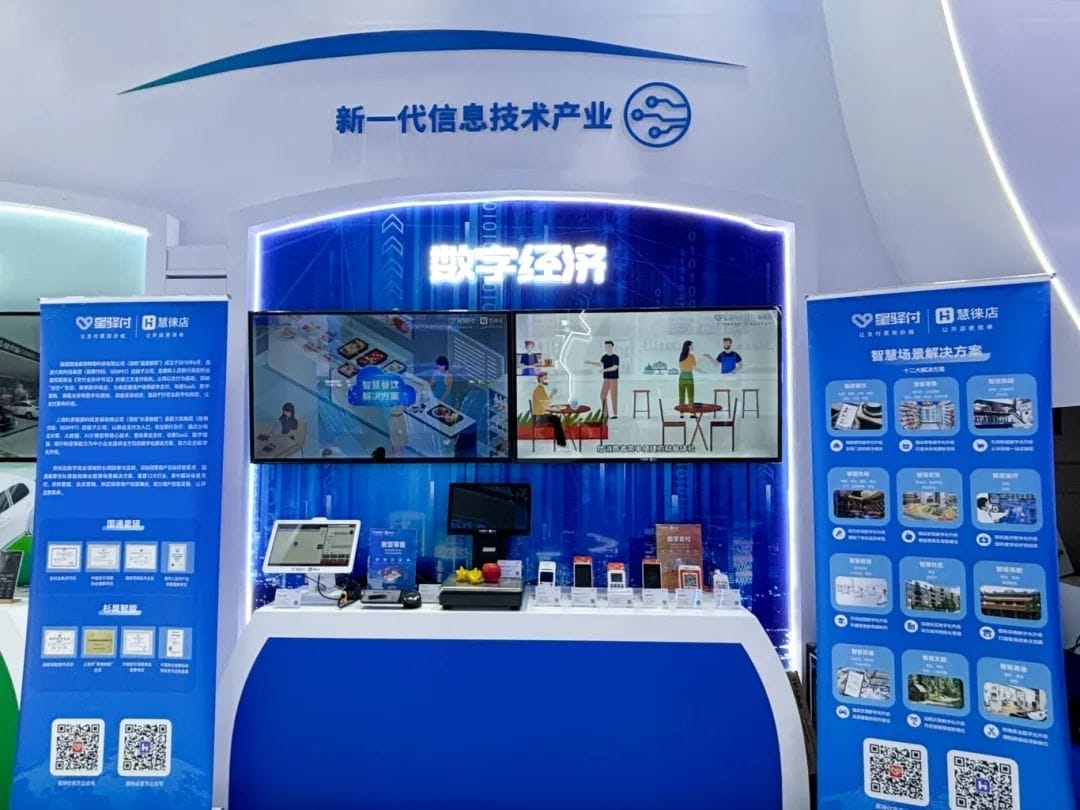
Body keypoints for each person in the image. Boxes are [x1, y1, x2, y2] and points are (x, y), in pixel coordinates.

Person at [530, 372, 567, 447]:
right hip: (539, 416)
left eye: (547, 378)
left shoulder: (541, 389)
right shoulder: (538, 390)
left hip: (542, 414)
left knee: (556, 419)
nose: (547, 380)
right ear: (540, 379)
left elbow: (546, 403)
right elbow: (545, 406)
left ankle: (560, 442)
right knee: (556, 419)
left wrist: (552, 394)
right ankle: (561, 442)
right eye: (545, 378)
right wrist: (557, 409)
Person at [585, 340, 619, 418]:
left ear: (612, 347)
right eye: (606, 347)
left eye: (609, 346)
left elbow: (615, 367)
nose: (607, 348)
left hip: (613, 379)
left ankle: (615, 414)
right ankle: (605, 413)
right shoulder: (604, 357)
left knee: (613, 396)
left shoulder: (615, 357)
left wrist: (604, 370)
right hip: (606, 379)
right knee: (602, 395)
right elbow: (600, 364)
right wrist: (590, 362)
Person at [677, 340, 697, 414]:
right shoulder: (691, 356)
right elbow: (694, 367)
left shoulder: (681, 355)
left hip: (682, 377)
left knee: (681, 396)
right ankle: (692, 412)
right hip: (689, 377)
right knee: (691, 396)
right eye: (692, 345)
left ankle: (681, 413)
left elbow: (680, 366)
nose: (693, 347)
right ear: (688, 346)